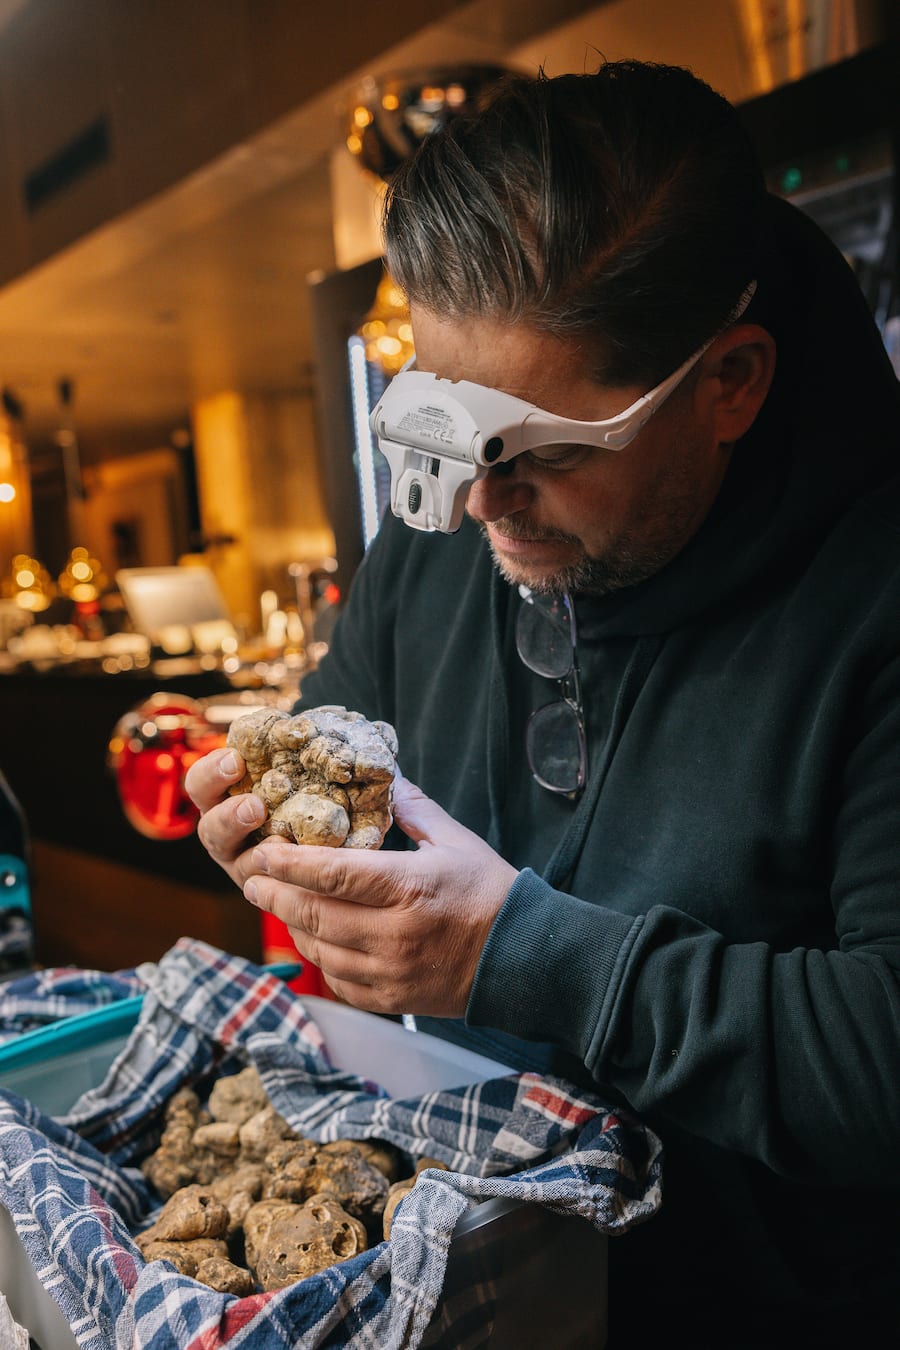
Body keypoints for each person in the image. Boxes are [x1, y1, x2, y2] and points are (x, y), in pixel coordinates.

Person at [186, 59, 900, 1346]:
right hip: (471, 1280)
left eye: (549, 453)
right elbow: (341, 728)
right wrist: (272, 828)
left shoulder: (874, 595)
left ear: (729, 383)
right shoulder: (463, 512)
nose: (478, 506)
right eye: (449, 427)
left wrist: (520, 958)